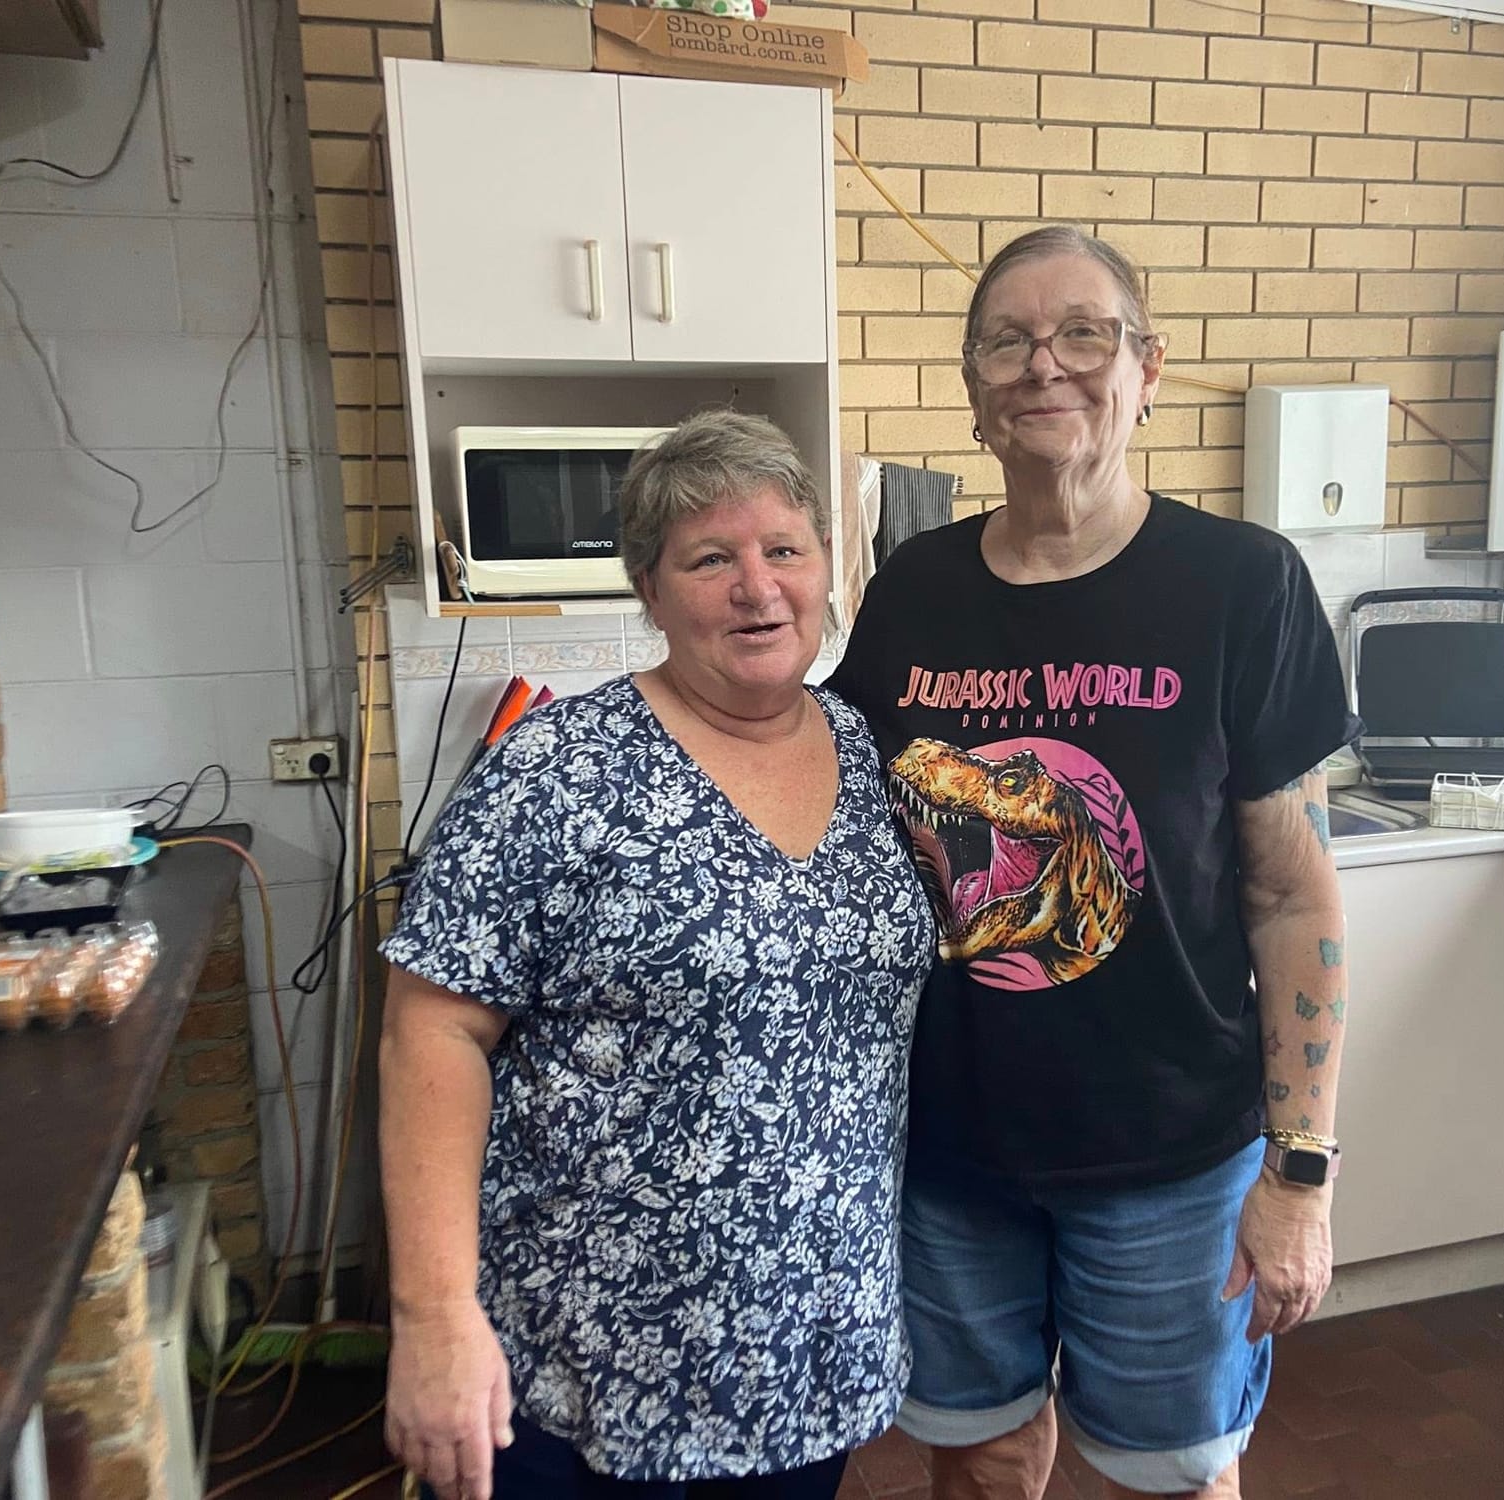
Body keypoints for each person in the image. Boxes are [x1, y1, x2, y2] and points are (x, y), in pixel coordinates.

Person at [828, 225, 1362, 1500]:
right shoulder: (913, 590)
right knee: (979, 1460)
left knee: (1173, 1476)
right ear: (971, 389)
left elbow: (1289, 896)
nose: (1042, 366)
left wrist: (1299, 1172)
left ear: (1145, 367)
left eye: (1082, 334)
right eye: (1005, 342)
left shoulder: (1242, 584)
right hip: (952, 1148)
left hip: (1172, 1155)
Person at [378, 409, 935, 1500]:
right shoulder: (554, 770)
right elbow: (430, 1032)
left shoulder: (874, 753)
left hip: (808, 1345)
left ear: (827, 568)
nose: (757, 588)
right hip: (584, 1356)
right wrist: (433, 1315)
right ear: (650, 589)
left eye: (784, 550)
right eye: (709, 559)